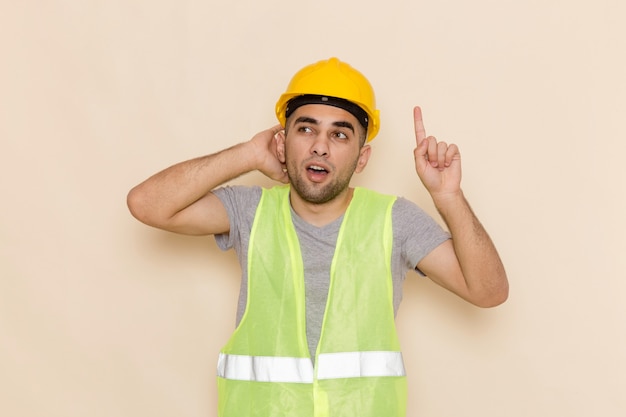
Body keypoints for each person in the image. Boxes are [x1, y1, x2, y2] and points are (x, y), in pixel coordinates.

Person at [127, 57, 508, 417]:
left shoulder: (395, 220)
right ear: (282, 142)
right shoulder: (249, 212)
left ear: (362, 159)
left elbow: (488, 291)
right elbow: (147, 205)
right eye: (306, 128)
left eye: (340, 134)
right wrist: (248, 154)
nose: (320, 146)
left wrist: (448, 197)